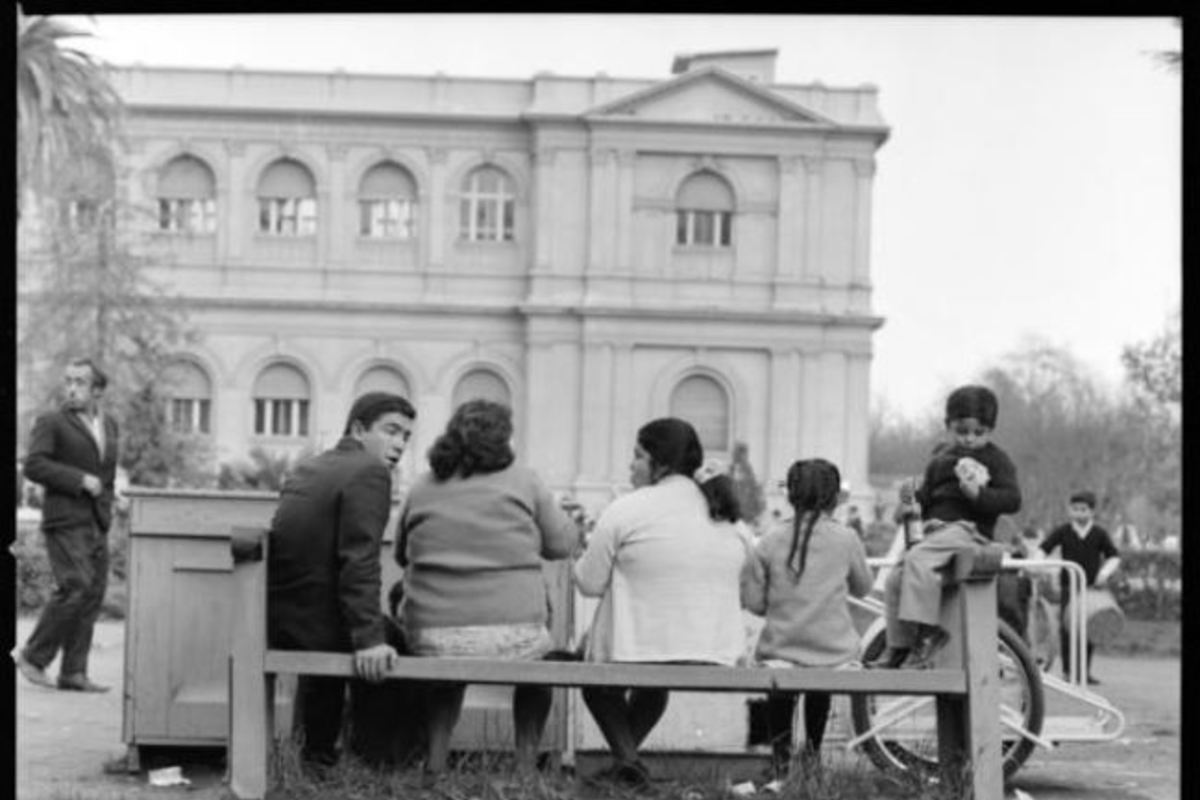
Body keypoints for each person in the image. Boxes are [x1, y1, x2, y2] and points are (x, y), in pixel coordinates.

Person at [396, 400, 578, 776]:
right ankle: (526, 767)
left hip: (432, 635)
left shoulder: (422, 485)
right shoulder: (524, 480)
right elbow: (561, 545)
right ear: (504, 440)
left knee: (446, 664)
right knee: (539, 666)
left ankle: (435, 763)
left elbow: (401, 555)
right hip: (517, 635)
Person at [573, 418, 748, 788]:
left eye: (637, 456)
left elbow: (589, 583)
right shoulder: (725, 512)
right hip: (715, 650)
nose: (630, 465)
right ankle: (627, 767)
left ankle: (628, 764)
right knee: (652, 681)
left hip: (643, 651)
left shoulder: (627, 509)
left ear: (660, 462)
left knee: (596, 684)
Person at [267, 391, 416, 771]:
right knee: (395, 642)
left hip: (284, 618)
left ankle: (318, 756)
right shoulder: (370, 472)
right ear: (358, 429)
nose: (399, 444)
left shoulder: (311, 467)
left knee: (366, 627)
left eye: (406, 437)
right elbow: (359, 561)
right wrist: (369, 641)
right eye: (391, 431)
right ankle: (380, 766)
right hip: (315, 623)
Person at [868, 385, 1022, 669]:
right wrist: (909, 506)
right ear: (949, 427)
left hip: (969, 530)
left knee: (917, 559)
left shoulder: (996, 460)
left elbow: (1013, 499)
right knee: (895, 578)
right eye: (962, 432)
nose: (970, 439)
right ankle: (898, 645)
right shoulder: (940, 462)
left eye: (979, 433)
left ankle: (928, 633)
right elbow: (925, 497)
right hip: (936, 531)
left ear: (990, 431)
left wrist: (979, 495)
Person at [742, 459, 873, 780]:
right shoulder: (846, 539)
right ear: (834, 499)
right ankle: (812, 756)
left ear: (790, 496)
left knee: (780, 687)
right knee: (820, 682)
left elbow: (754, 603)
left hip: (781, 650)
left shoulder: (770, 540)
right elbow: (864, 586)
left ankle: (780, 762)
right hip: (834, 652)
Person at [16, 358, 120, 693]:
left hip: (96, 520)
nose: (72, 388)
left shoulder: (111, 425)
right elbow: (34, 465)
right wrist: (78, 480)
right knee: (74, 585)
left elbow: (105, 475)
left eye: (80, 382)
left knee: (91, 593)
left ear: (97, 390)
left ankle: (74, 672)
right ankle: (33, 656)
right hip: (64, 520)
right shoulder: (52, 422)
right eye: (69, 381)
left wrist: (111, 500)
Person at [1039, 491, 1120, 685]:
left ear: (1092, 511)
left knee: (1090, 628)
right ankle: (1068, 671)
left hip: (1090, 590)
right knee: (1068, 628)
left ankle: (1084, 672)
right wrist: (1039, 566)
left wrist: (1104, 574)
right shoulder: (1064, 531)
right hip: (1069, 586)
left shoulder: (1099, 533)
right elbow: (1044, 549)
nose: (1078, 513)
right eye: (1075, 509)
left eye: (1083, 509)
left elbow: (1114, 556)